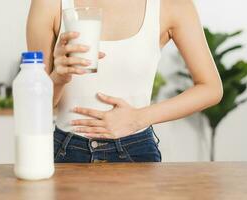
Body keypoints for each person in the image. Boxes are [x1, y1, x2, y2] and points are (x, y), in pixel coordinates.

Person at [26, 0, 223, 163]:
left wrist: (139, 118)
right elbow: (34, 107)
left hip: (136, 150)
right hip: (66, 151)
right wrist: (59, 78)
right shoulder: (49, 4)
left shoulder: (171, 5)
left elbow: (211, 87)